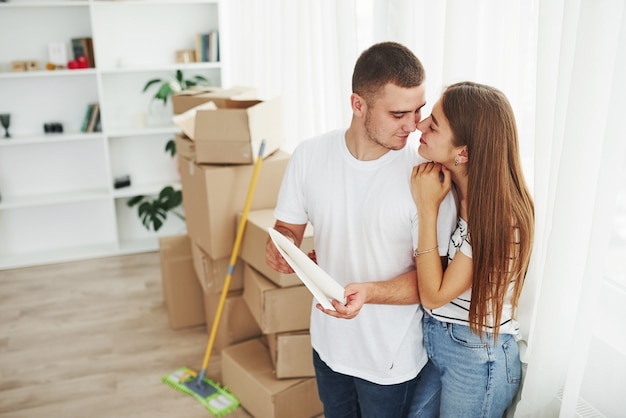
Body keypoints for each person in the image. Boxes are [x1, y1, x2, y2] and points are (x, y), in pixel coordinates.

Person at [265, 41, 456, 418]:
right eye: (399, 113)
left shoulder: (426, 177)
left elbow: (436, 279)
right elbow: (286, 228)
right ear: (358, 105)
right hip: (328, 345)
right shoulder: (310, 155)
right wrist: (283, 248)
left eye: (418, 110)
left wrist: (368, 294)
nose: (414, 125)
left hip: (390, 359)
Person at [410, 81, 535, 417]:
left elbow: (434, 295)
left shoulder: (498, 218)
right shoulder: (457, 191)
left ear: (462, 152)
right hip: (441, 343)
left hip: (476, 358)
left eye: (432, 125)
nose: (419, 126)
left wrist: (426, 209)